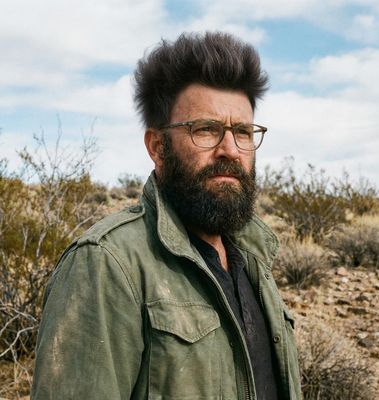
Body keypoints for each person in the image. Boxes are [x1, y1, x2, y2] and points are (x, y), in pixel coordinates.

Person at [31, 32, 301, 400]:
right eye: (206, 129)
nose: (230, 149)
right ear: (158, 147)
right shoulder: (107, 263)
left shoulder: (255, 259)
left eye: (242, 132)